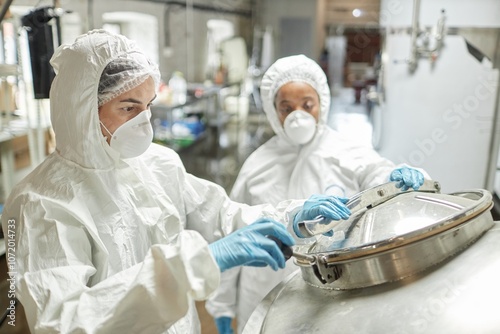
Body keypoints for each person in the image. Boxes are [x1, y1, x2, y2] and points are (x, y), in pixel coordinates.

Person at [0, 31, 353, 334]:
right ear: (82, 110)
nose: (145, 122)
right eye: (128, 108)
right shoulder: (42, 203)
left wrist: (291, 219)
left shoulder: (158, 162)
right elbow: (63, 322)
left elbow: (221, 215)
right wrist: (197, 263)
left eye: (148, 105)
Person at [205, 54, 427, 334]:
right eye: (287, 108)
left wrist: (397, 176)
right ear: (274, 111)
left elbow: (378, 175)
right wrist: (222, 306)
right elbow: (232, 232)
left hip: (331, 285)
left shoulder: (346, 151)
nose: (298, 116)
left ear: (322, 103)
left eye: (307, 105)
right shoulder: (258, 165)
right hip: (262, 288)